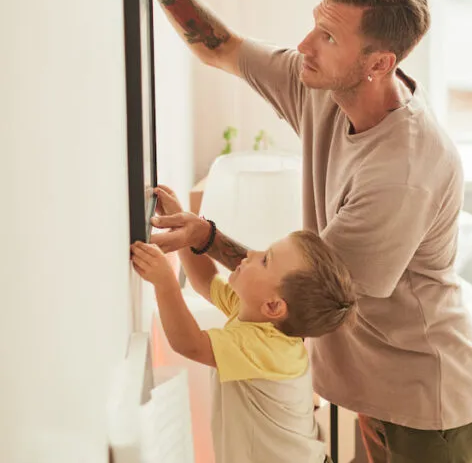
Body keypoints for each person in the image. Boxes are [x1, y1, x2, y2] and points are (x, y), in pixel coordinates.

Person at [135, 0, 472, 462]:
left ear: (380, 64)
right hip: (372, 384)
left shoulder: (402, 172)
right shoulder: (322, 85)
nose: (305, 44)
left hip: (424, 396)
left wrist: (206, 239)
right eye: (314, 24)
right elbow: (219, 47)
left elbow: (304, 289)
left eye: (328, 36)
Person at [131, 185, 356, 463]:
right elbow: (205, 283)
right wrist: (182, 225)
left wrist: (165, 282)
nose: (250, 254)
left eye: (264, 260)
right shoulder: (257, 314)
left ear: (274, 306)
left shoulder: (265, 348)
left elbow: (188, 343)